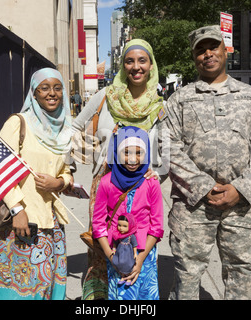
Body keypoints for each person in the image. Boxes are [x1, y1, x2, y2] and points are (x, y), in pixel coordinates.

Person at [158, 25, 251, 300]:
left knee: (242, 275)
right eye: (200, 50)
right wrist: (202, 185)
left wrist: (241, 188)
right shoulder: (180, 100)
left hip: (242, 208)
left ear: (226, 51)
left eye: (213, 47)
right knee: (187, 276)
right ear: (194, 57)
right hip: (193, 206)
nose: (207, 54)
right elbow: (167, 144)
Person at [71, 39, 166, 300]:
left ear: (151, 65)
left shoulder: (158, 107)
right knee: (101, 244)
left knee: (138, 241)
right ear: (123, 65)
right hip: (105, 184)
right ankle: (100, 296)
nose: (136, 67)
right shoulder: (105, 96)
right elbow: (74, 127)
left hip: (142, 189)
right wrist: (75, 159)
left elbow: (166, 148)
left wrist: (159, 173)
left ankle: (135, 293)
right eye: (129, 61)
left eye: (142, 60)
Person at [0, 68, 73, 300]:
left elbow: (67, 171)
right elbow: (0, 169)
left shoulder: (64, 129)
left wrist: (59, 182)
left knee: (50, 285)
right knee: (24, 286)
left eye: (57, 88)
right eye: (44, 88)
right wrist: (17, 209)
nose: (52, 93)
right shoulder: (18, 123)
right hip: (24, 220)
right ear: (34, 93)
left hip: (53, 222)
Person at [92, 126, 164, 300]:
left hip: (144, 252)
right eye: (126, 152)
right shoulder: (106, 183)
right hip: (117, 253)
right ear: (116, 153)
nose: (133, 159)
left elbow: (157, 226)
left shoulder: (151, 183)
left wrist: (140, 259)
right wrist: (111, 257)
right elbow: (98, 223)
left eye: (139, 153)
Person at [112, 214, 138, 285]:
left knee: (129, 264)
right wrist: (114, 249)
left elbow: (134, 245)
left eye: (124, 226)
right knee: (120, 263)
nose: (121, 228)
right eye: (119, 225)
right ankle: (123, 276)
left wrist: (135, 253)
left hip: (128, 253)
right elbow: (115, 242)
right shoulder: (118, 235)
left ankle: (129, 278)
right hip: (120, 252)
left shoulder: (131, 236)